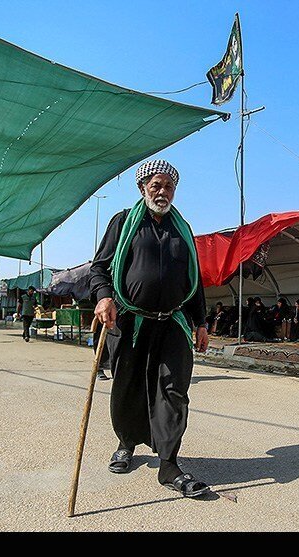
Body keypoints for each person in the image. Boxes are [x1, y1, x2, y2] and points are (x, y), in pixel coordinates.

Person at [90, 159, 210, 498]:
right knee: (128, 386)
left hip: (173, 322)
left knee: (174, 390)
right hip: (130, 322)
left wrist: (201, 322)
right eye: (156, 185)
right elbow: (99, 268)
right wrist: (103, 297)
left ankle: (169, 464)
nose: (162, 192)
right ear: (142, 188)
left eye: (169, 186)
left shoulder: (182, 229)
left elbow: (194, 280)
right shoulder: (123, 222)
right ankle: (126, 443)